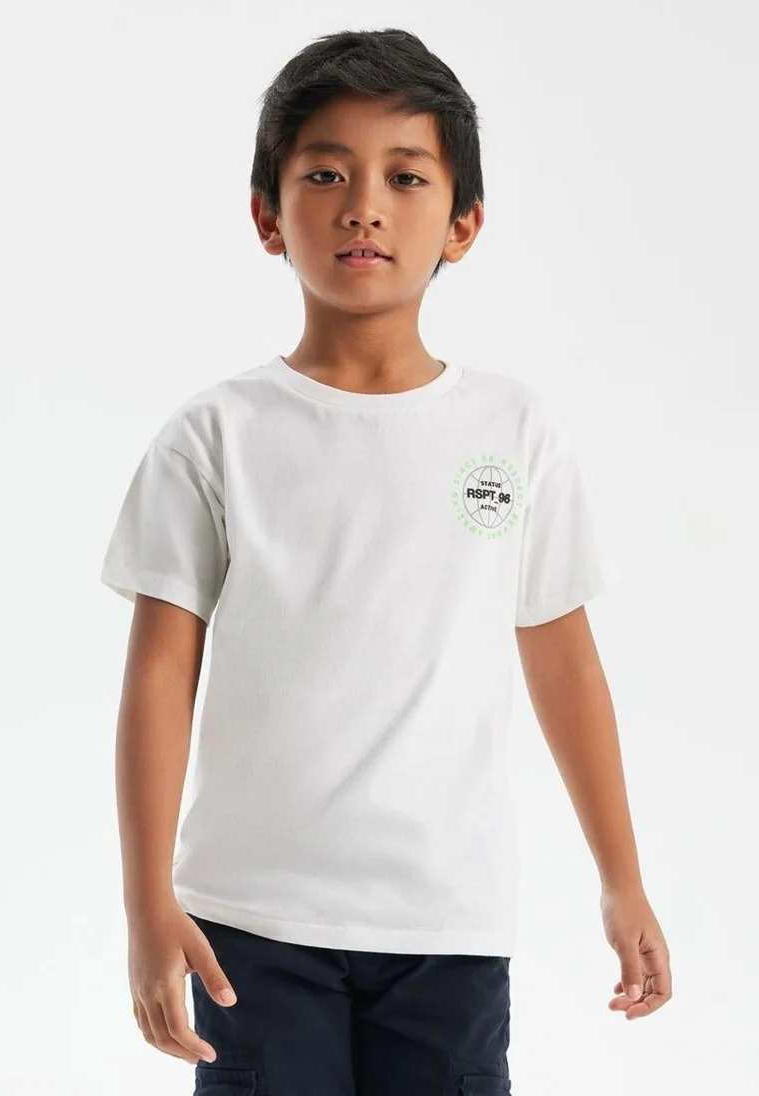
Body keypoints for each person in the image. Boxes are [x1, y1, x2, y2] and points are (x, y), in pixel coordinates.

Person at [100, 27, 672, 1096]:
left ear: (463, 223)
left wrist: (621, 878)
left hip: (446, 925)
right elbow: (160, 675)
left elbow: (563, 663)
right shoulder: (215, 436)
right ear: (268, 215)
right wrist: (145, 904)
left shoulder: (513, 433)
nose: (363, 205)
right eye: (325, 174)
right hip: (251, 925)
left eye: (404, 177)